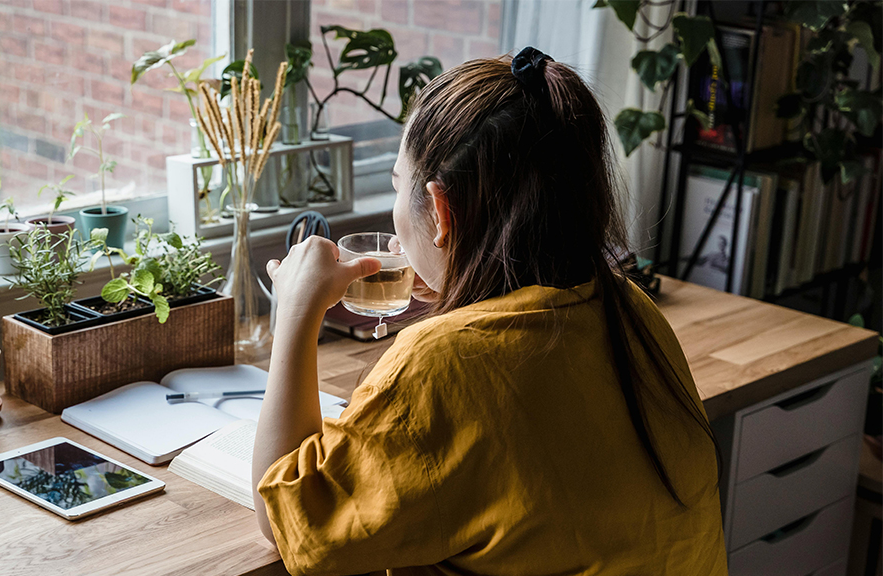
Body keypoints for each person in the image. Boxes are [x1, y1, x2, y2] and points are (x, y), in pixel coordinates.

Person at [252, 47, 727, 576]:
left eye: (395, 185)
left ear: (439, 210)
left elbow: (289, 526)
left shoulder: (445, 364)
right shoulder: (628, 305)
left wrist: (295, 312)